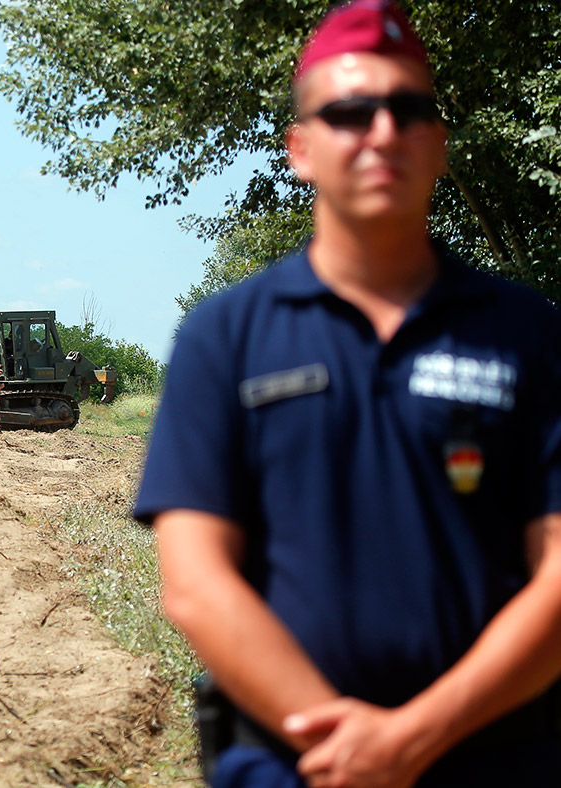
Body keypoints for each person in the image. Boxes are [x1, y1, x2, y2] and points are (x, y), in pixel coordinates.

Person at [134, 2, 561, 787]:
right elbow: (195, 582)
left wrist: (411, 739)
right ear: (300, 148)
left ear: (439, 141)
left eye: (410, 109)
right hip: (289, 767)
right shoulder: (224, 338)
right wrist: (350, 752)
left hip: (498, 761)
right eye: (350, 112)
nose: (383, 132)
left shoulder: (532, 335)